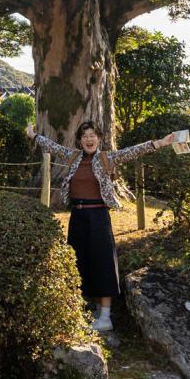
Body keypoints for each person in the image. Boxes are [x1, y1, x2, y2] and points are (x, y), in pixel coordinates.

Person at [29, 120, 179, 332]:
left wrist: (160, 143)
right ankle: (86, 309)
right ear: (80, 141)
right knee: (78, 260)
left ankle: (105, 316)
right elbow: (52, 146)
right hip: (78, 216)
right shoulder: (73, 156)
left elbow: (132, 152)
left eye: (92, 135)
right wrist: (33, 135)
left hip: (98, 214)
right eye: (84, 136)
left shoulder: (106, 158)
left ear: (98, 138)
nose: (89, 139)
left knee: (103, 261)